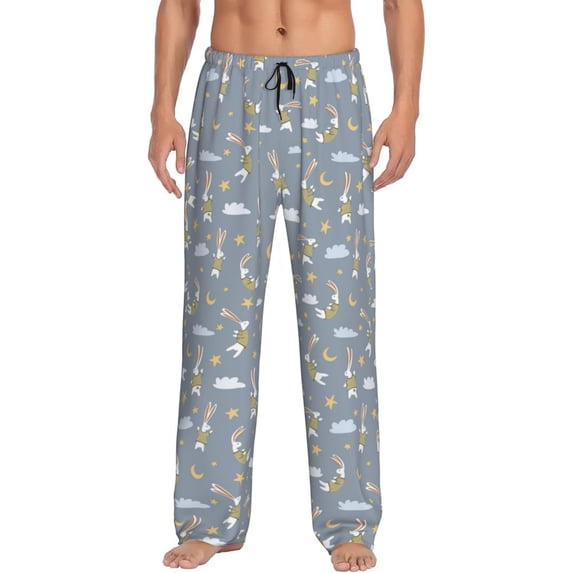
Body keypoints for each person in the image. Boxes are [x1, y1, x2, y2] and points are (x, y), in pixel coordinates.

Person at [148, 0, 424, 570]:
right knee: (215, 319)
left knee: (340, 319)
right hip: (229, 88)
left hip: (331, 89)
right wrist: (161, 109)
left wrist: (407, 108)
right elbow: (179, 3)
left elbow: (400, 3)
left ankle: (350, 519)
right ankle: (208, 518)